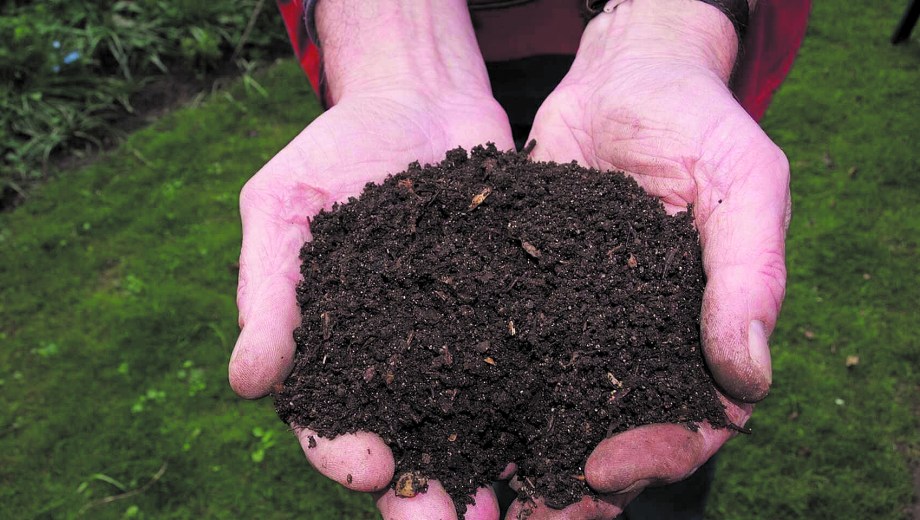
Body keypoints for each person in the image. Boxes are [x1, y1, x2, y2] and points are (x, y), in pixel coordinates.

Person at [229, 1, 809, 518]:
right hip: (413, 61)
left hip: (654, 47)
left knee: (652, 458)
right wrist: (393, 35)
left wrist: (672, 26)